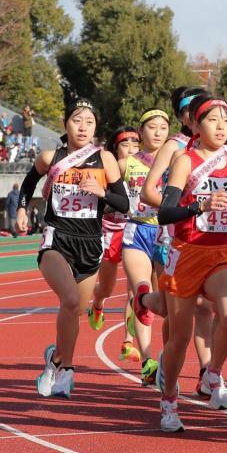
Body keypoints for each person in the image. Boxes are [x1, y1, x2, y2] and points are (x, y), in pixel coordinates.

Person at [17, 97, 129, 398]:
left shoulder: (104, 159)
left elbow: (125, 204)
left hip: (91, 245)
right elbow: (27, 186)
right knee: (68, 299)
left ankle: (55, 360)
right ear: (66, 123)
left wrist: (102, 192)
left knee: (75, 310)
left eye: (89, 122)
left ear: (96, 127)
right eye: (77, 120)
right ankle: (67, 369)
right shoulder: (51, 156)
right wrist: (22, 209)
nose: (83, 127)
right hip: (57, 239)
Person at [155, 94, 227, 432]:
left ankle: (213, 373)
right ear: (196, 125)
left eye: (226, 120)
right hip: (187, 252)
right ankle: (168, 399)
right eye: (213, 120)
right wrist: (200, 206)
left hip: (224, 253)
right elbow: (164, 212)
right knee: (178, 339)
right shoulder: (186, 160)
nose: (222, 126)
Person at [120, 111, 170, 380]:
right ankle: (148, 358)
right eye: (152, 127)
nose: (158, 132)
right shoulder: (126, 163)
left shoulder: (176, 161)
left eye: (163, 127)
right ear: (141, 131)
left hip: (165, 232)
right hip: (137, 229)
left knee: (169, 303)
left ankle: (169, 355)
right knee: (142, 289)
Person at [86, 127, 140, 368]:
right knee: (106, 288)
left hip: (135, 232)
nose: (132, 150)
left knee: (136, 290)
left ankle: (128, 342)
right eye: (125, 145)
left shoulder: (146, 169)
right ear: (115, 149)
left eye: (135, 145)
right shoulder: (107, 170)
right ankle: (97, 304)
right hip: (109, 231)